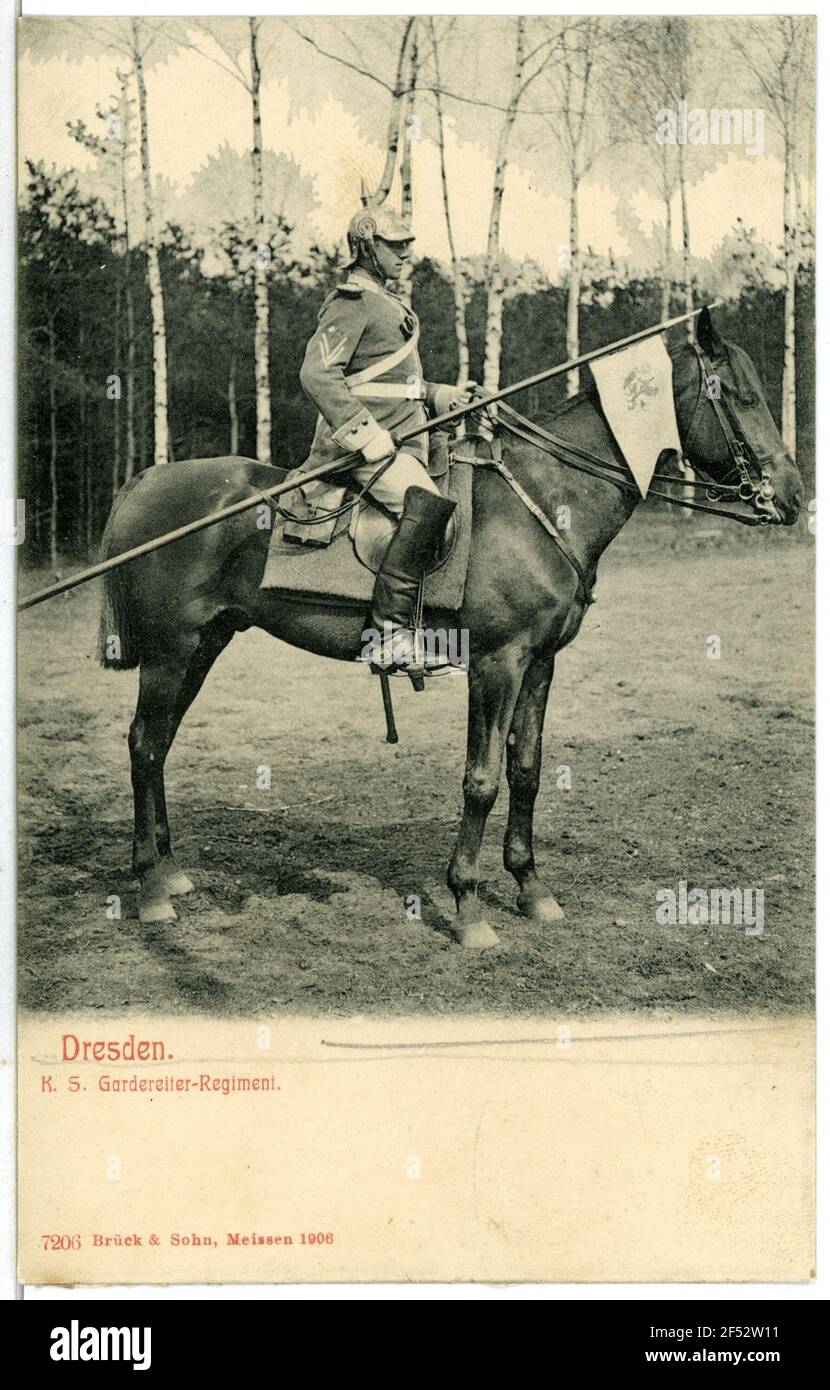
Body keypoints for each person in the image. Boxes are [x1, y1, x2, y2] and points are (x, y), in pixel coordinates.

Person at [298, 205, 474, 672]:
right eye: (393, 245)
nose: (404, 253)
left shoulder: (386, 303)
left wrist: (443, 396)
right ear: (365, 246)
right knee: (427, 506)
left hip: (403, 439)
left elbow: (389, 382)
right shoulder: (351, 301)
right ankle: (389, 635)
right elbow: (317, 374)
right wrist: (364, 435)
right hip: (363, 446)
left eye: (406, 244)